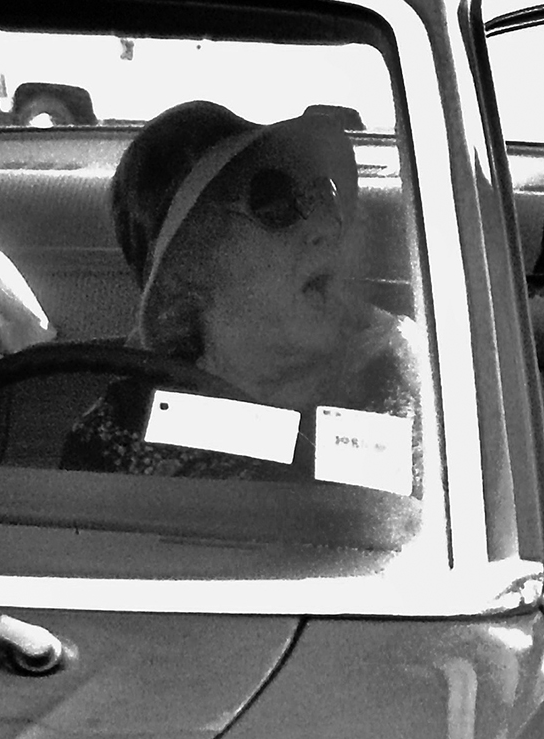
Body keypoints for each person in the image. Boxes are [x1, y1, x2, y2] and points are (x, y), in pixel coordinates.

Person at [61, 99, 419, 480]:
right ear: (187, 272)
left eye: (323, 196)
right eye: (275, 204)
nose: (327, 227)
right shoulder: (120, 434)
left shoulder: (411, 383)